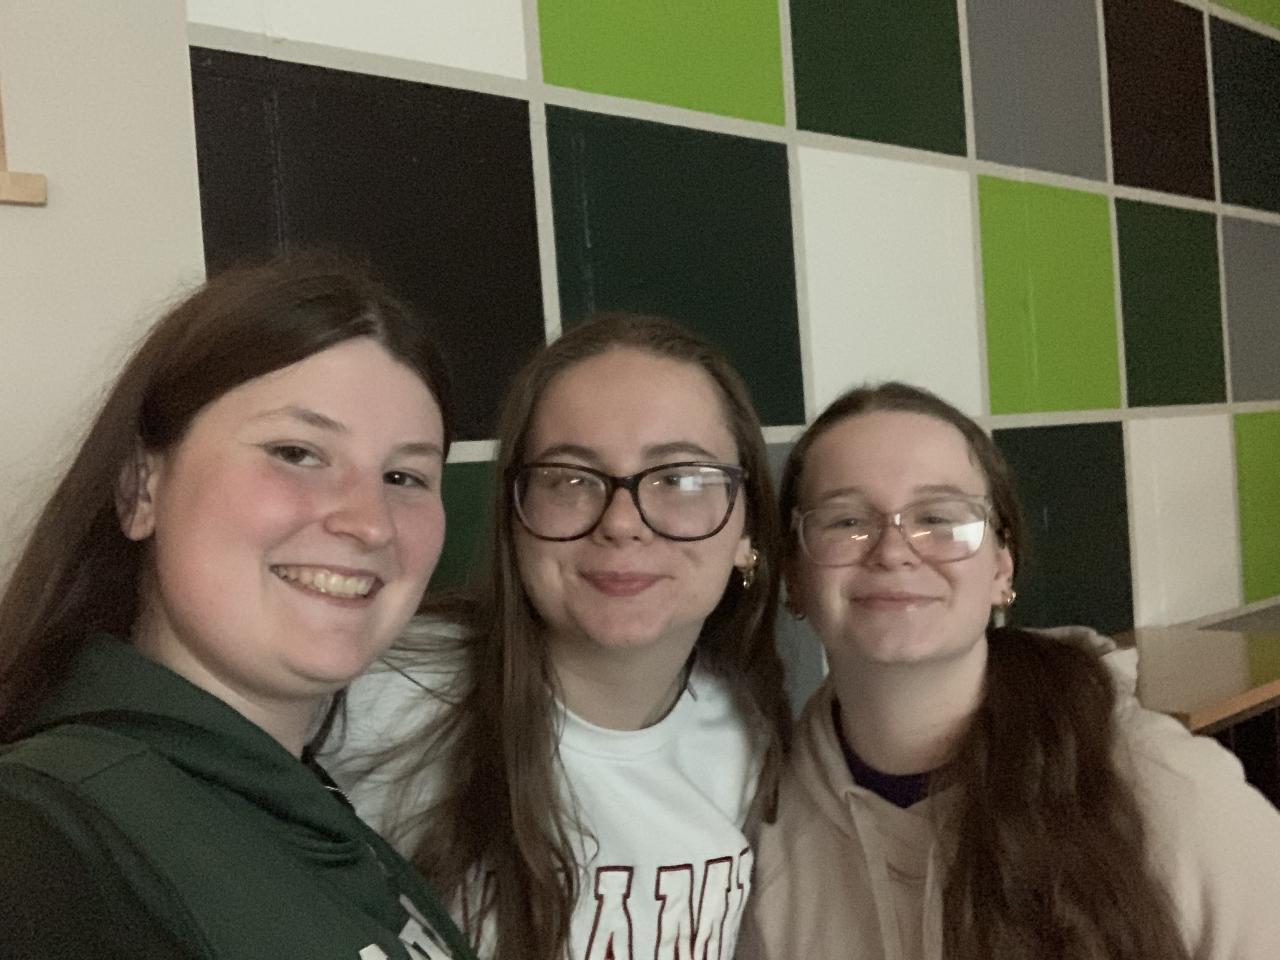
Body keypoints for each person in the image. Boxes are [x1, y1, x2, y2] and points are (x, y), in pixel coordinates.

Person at [0, 254, 480, 960]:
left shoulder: (301, 817)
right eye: (297, 452)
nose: (370, 523)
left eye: (405, 476)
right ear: (139, 489)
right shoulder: (42, 847)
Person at [740, 381, 1280, 960]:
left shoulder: (1163, 787)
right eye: (847, 520)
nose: (893, 551)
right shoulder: (756, 834)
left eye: (939, 518)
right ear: (794, 577)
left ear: (1002, 569)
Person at [331, 314, 790, 960]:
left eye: (681, 479)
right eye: (571, 480)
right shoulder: (375, 692)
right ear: (515, 518)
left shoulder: (750, 733)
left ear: (748, 531)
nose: (622, 523)